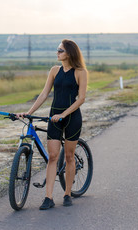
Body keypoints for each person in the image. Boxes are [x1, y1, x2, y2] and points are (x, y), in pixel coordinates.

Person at [17, 39, 88, 210]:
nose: (57, 53)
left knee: (69, 157)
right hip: (53, 117)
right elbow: (44, 94)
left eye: (60, 50)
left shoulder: (80, 72)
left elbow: (82, 99)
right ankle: (48, 197)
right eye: (57, 50)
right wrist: (29, 112)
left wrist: (63, 114)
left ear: (69, 53)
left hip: (71, 117)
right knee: (53, 157)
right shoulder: (54, 71)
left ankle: (67, 193)